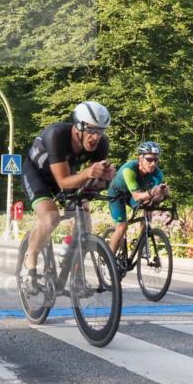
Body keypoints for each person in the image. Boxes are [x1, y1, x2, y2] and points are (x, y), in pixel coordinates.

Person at [21, 101, 116, 287]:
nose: (96, 137)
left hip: (67, 175)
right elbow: (63, 182)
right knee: (50, 218)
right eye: (91, 130)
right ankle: (30, 258)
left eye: (101, 131)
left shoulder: (101, 144)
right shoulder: (56, 135)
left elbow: (92, 184)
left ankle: (76, 274)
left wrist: (105, 178)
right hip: (37, 174)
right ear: (79, 126)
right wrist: (89, 173)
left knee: (85, 219)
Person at [107, 141, 169, 260]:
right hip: (117, 194)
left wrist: (162, 195)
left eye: (156, 160)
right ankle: (108, 261)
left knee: (149, 205)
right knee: (122, 227)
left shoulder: (157, 174)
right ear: (140, 158)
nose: (153, 163)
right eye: (149, 159)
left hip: (135, 194)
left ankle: (144, 243)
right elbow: (137, 196)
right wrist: (152, 192)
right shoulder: (129, 169)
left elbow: (153, 198)